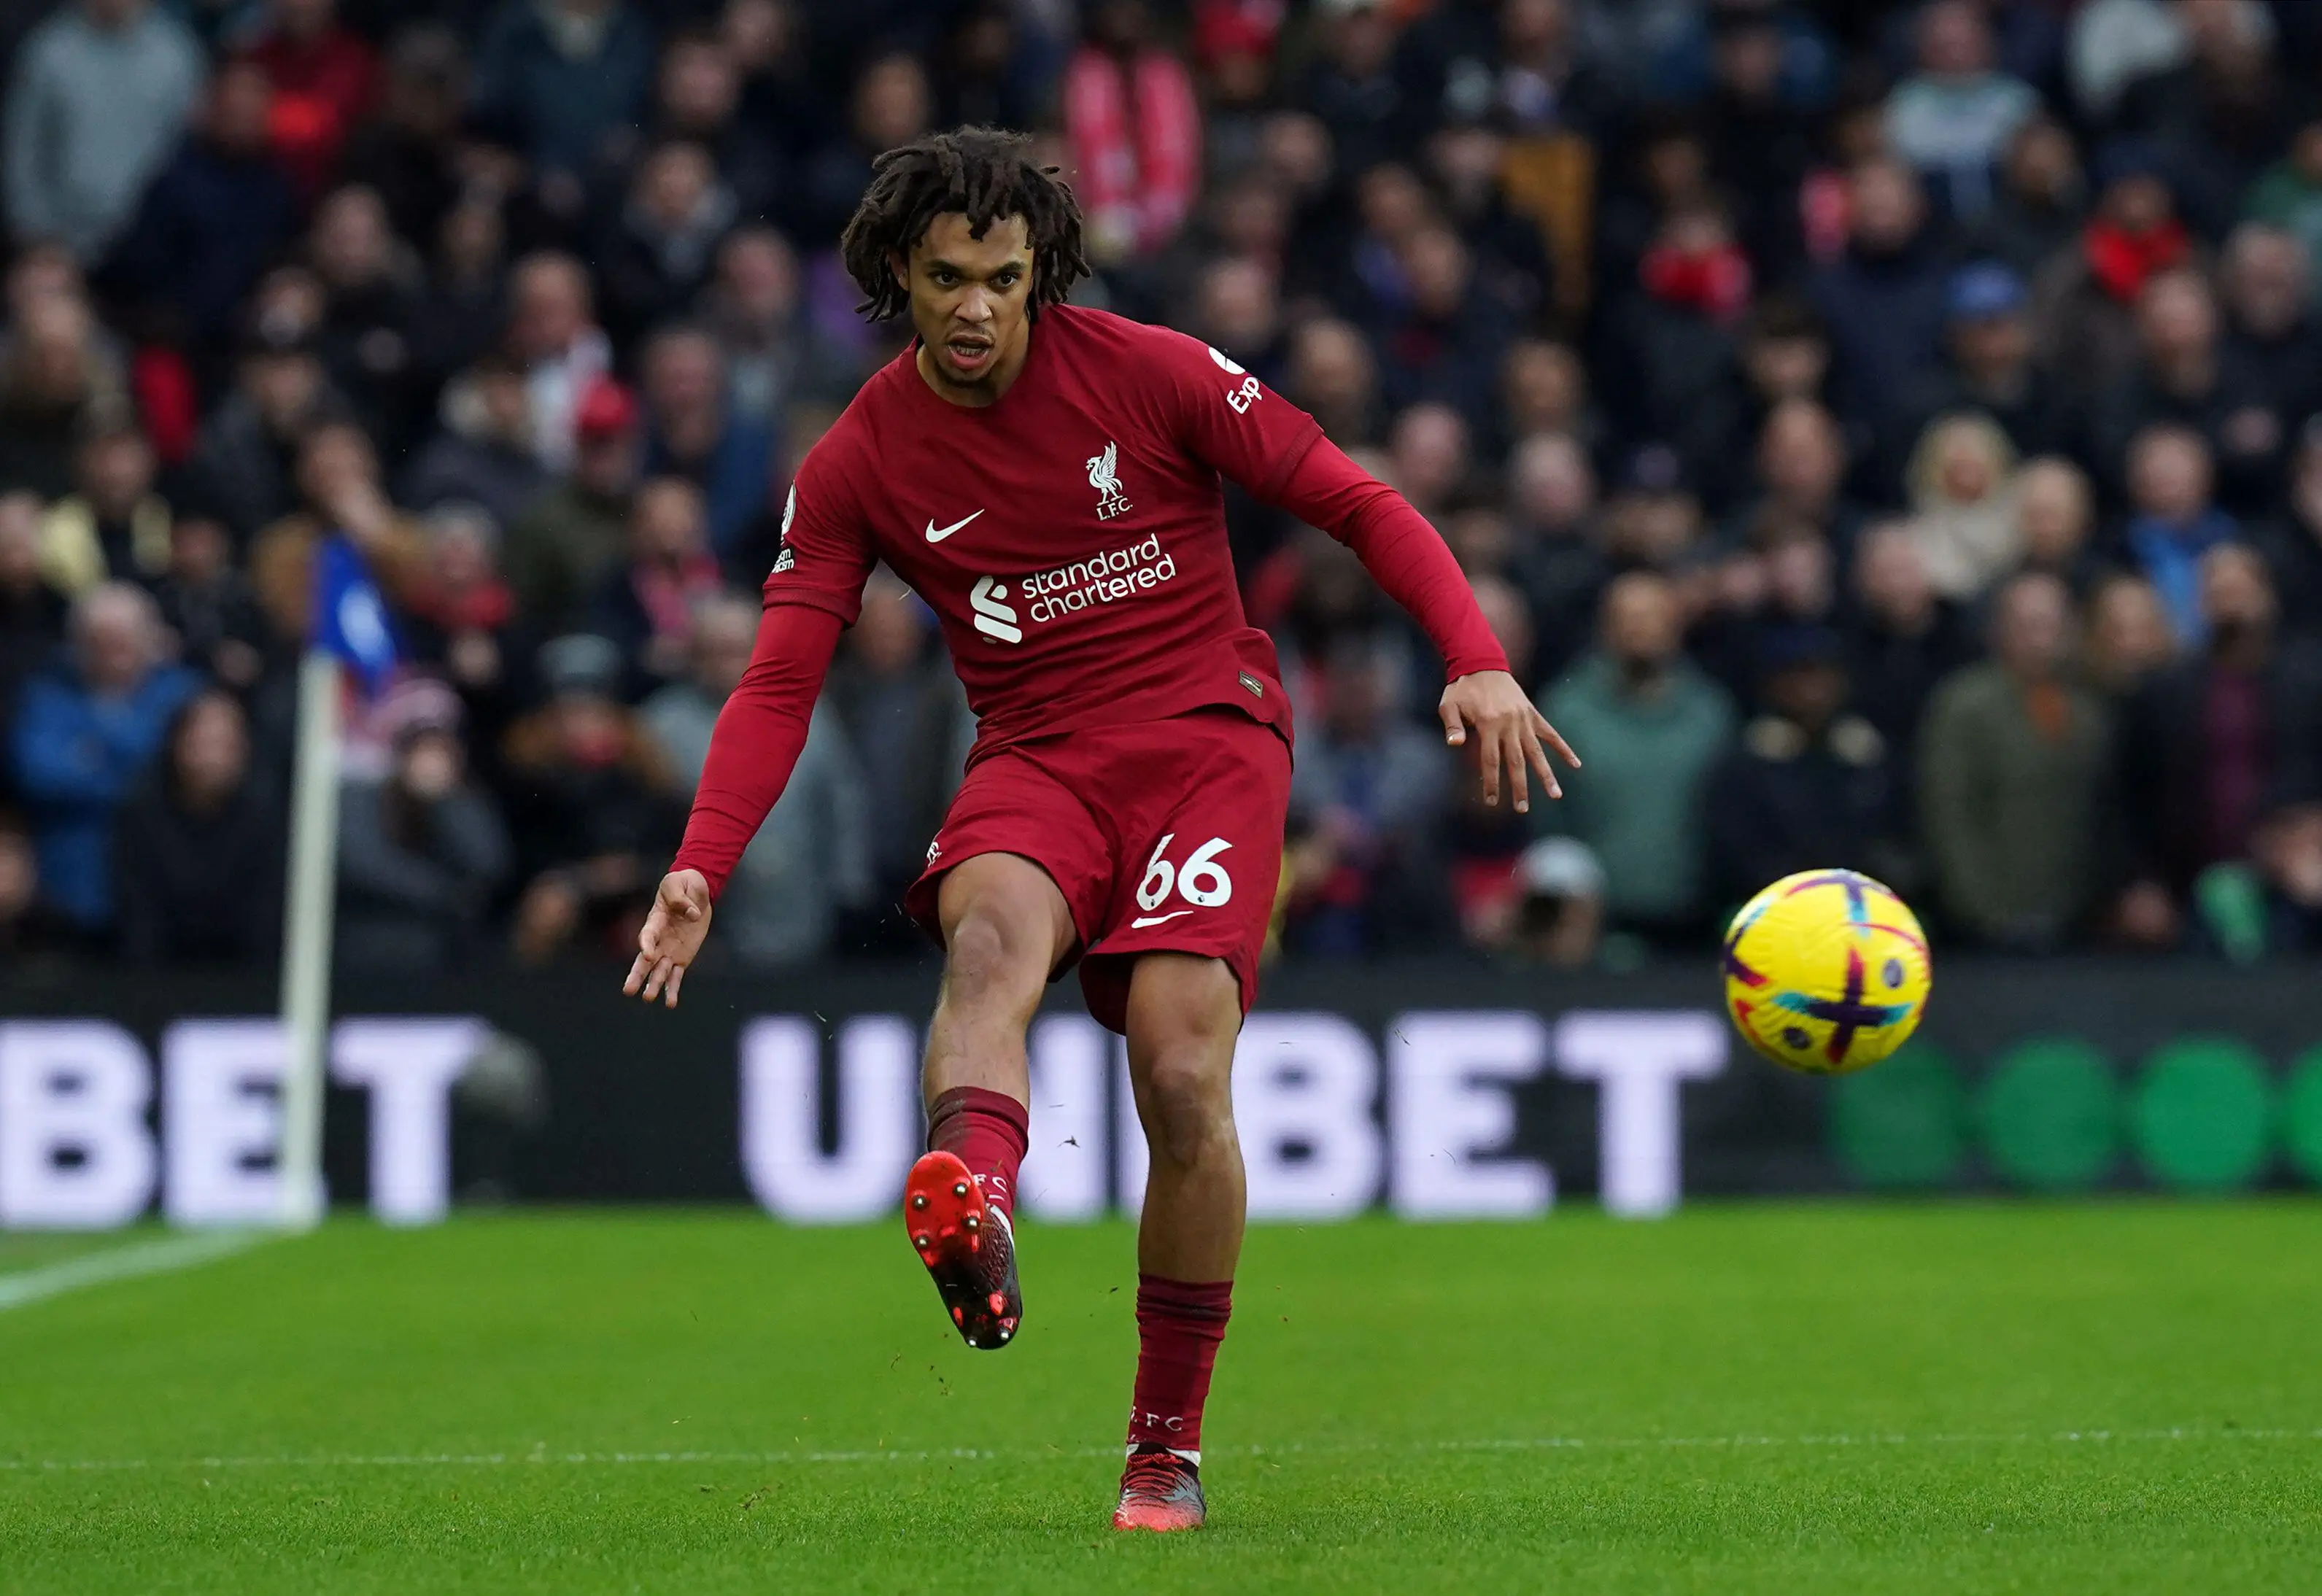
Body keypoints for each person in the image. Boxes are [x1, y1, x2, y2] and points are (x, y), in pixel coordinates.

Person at [621, 128, 1569, 1533]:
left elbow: (1353, 500)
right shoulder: (856, 461)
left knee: (1181, 1076)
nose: (973, 308)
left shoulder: (1153, 371)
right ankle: (976, 1203)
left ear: (1039, 272)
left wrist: (1471, 652)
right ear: (898, 270)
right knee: (987, 946)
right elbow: (778, 677)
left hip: (1204, 745)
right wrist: (702, 857)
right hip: (1035, 759)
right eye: (944, 277)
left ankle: (1162, 1447)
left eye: (1001, 278)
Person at [642, 592, 870, 965]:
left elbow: (842, 801)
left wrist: (851, 882)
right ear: (694, 656)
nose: (724, 663)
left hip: (803, 900)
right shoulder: (660, 725)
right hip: (707, 917)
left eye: (735, 649)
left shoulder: (813, 716)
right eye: (712, 650)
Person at [1919, 572, 2115, 949]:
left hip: (2078, 918)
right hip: (1991, 921)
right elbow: (1949, 812)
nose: (2040, 639)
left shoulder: (2090, 706)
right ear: (1999, 630)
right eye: (2027, 625)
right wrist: (1979, 908)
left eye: (2051, 625)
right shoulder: (1964, 705)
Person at [9, 581, 200, 934]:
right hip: (72, 893)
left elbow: (182, 778)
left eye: (124, 641)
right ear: (78, 645)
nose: (113, 653)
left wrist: (93, 753)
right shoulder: (46, 695)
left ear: (150, 640)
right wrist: (134, 763)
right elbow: (37, 774)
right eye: (100, 641)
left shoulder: (184, 694)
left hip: (168, 894)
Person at [112, 688, 280, 964]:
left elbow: (265, 919)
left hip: (244, 982)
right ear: (176, 742)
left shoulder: (264, 819)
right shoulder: (140, 814)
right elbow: (138, 915)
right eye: (202, 742)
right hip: (155, 978)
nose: (211, 757)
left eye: (225, 745)